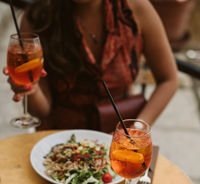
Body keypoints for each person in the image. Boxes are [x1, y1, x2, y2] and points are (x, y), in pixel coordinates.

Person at [4, 0, 178, 131]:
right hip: (58, 140)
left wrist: (137, 129)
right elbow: (42, 110)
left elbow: (169, 79)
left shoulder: (135, 8)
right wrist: (30, 89)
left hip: (119, 136)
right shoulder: (39, 16)